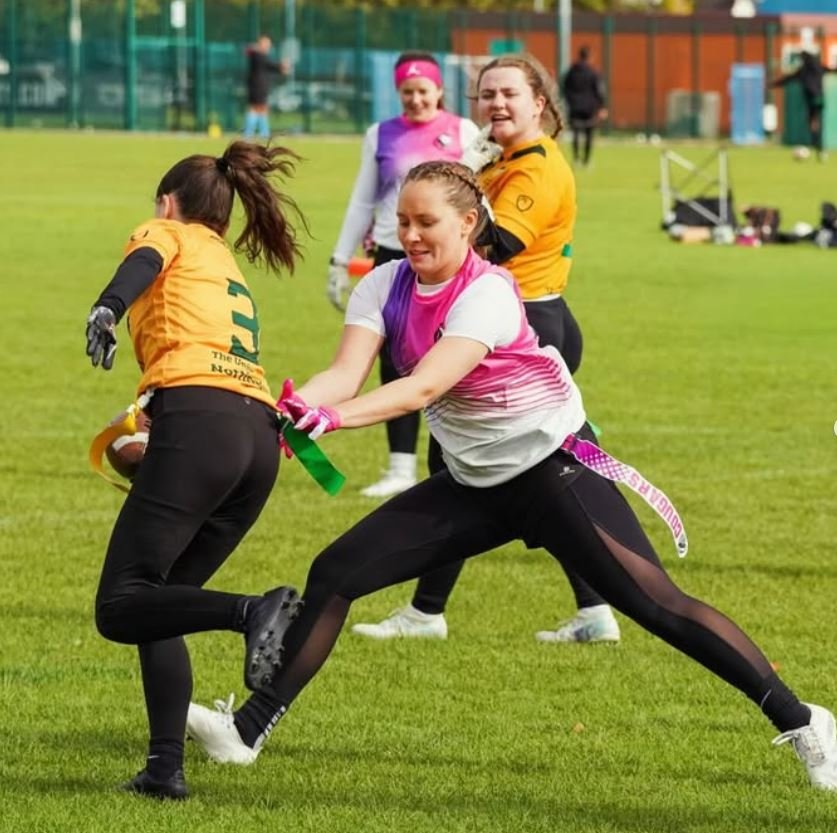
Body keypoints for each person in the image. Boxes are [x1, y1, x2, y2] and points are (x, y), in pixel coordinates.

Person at [185, 161, 837, 793]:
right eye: (402, 221)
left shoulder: (489, 291)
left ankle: (805, 723)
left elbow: (425, 386)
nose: (410, 235)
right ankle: (245, 731)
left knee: (658, 606)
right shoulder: (381, 285)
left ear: (467, 224)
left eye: (426, 222)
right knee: (336, 572)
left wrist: (334, 417)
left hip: (553, 473)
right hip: (475, 485)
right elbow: (344, 372)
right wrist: (303, 405)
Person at [352, 54, 618, 645]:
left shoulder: (537, 168)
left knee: (493, 472)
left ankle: (429, 612)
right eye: (486, 94)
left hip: (524, 322)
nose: (495, 104)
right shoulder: (506, 159)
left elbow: (496, 245)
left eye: (509, 94)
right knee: (481, 466)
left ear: (539, 105)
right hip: (502, 320)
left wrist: (457, 181)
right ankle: (592, 606)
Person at [84, 140, 309, 800]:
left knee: (122, 604)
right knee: (160, 602)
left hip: (202, 425)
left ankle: (253, 609)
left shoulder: (167, 230)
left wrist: (107, 305)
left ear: (168, 201)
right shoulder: (226, 264)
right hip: (256, 439)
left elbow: (144, 260)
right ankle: (163, 769)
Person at [326, 51, 480, 498]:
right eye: (406, 92)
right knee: (394, 362)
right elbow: (362, 200)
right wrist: (340, 258)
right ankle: (399, 468)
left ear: (439, 91)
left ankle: (452, 460)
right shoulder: (380, 134)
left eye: (422, 91)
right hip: (393, 258)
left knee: (444, 361)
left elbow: (475, 203)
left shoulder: (462, 132)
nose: (415, 99)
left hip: (446, 260)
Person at [771, 51, 836, 162]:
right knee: (817, 122)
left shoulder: (803, 71)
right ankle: (819, 146)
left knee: (813, 123)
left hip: (812, 99)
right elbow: (832, 70)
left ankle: (817, 144)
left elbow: (788, 79)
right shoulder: (819, 67)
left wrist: (773, 84)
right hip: (820, 99)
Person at [562, 46, 607, 169]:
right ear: (590, 57)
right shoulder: (593, 73)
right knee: (589, 135)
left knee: (576, 133)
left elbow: (565, 88)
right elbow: (599, 90)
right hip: (590, 108)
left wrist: (570, 101)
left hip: (574, 107)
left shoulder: (571, 72)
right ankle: (586, 161)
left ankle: (576, 158)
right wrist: (602, 107)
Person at [243, 35, 289, 140]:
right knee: (255, 108)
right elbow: (270, 65)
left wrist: (281, 68)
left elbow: (270, 67)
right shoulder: (257, 55)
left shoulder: (259, 56)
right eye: (266, 44)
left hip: (260, 87)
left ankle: (263, 134)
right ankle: (249, 134)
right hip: (257, 87)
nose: (268, 47)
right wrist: (281, 66)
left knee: (262, 109)